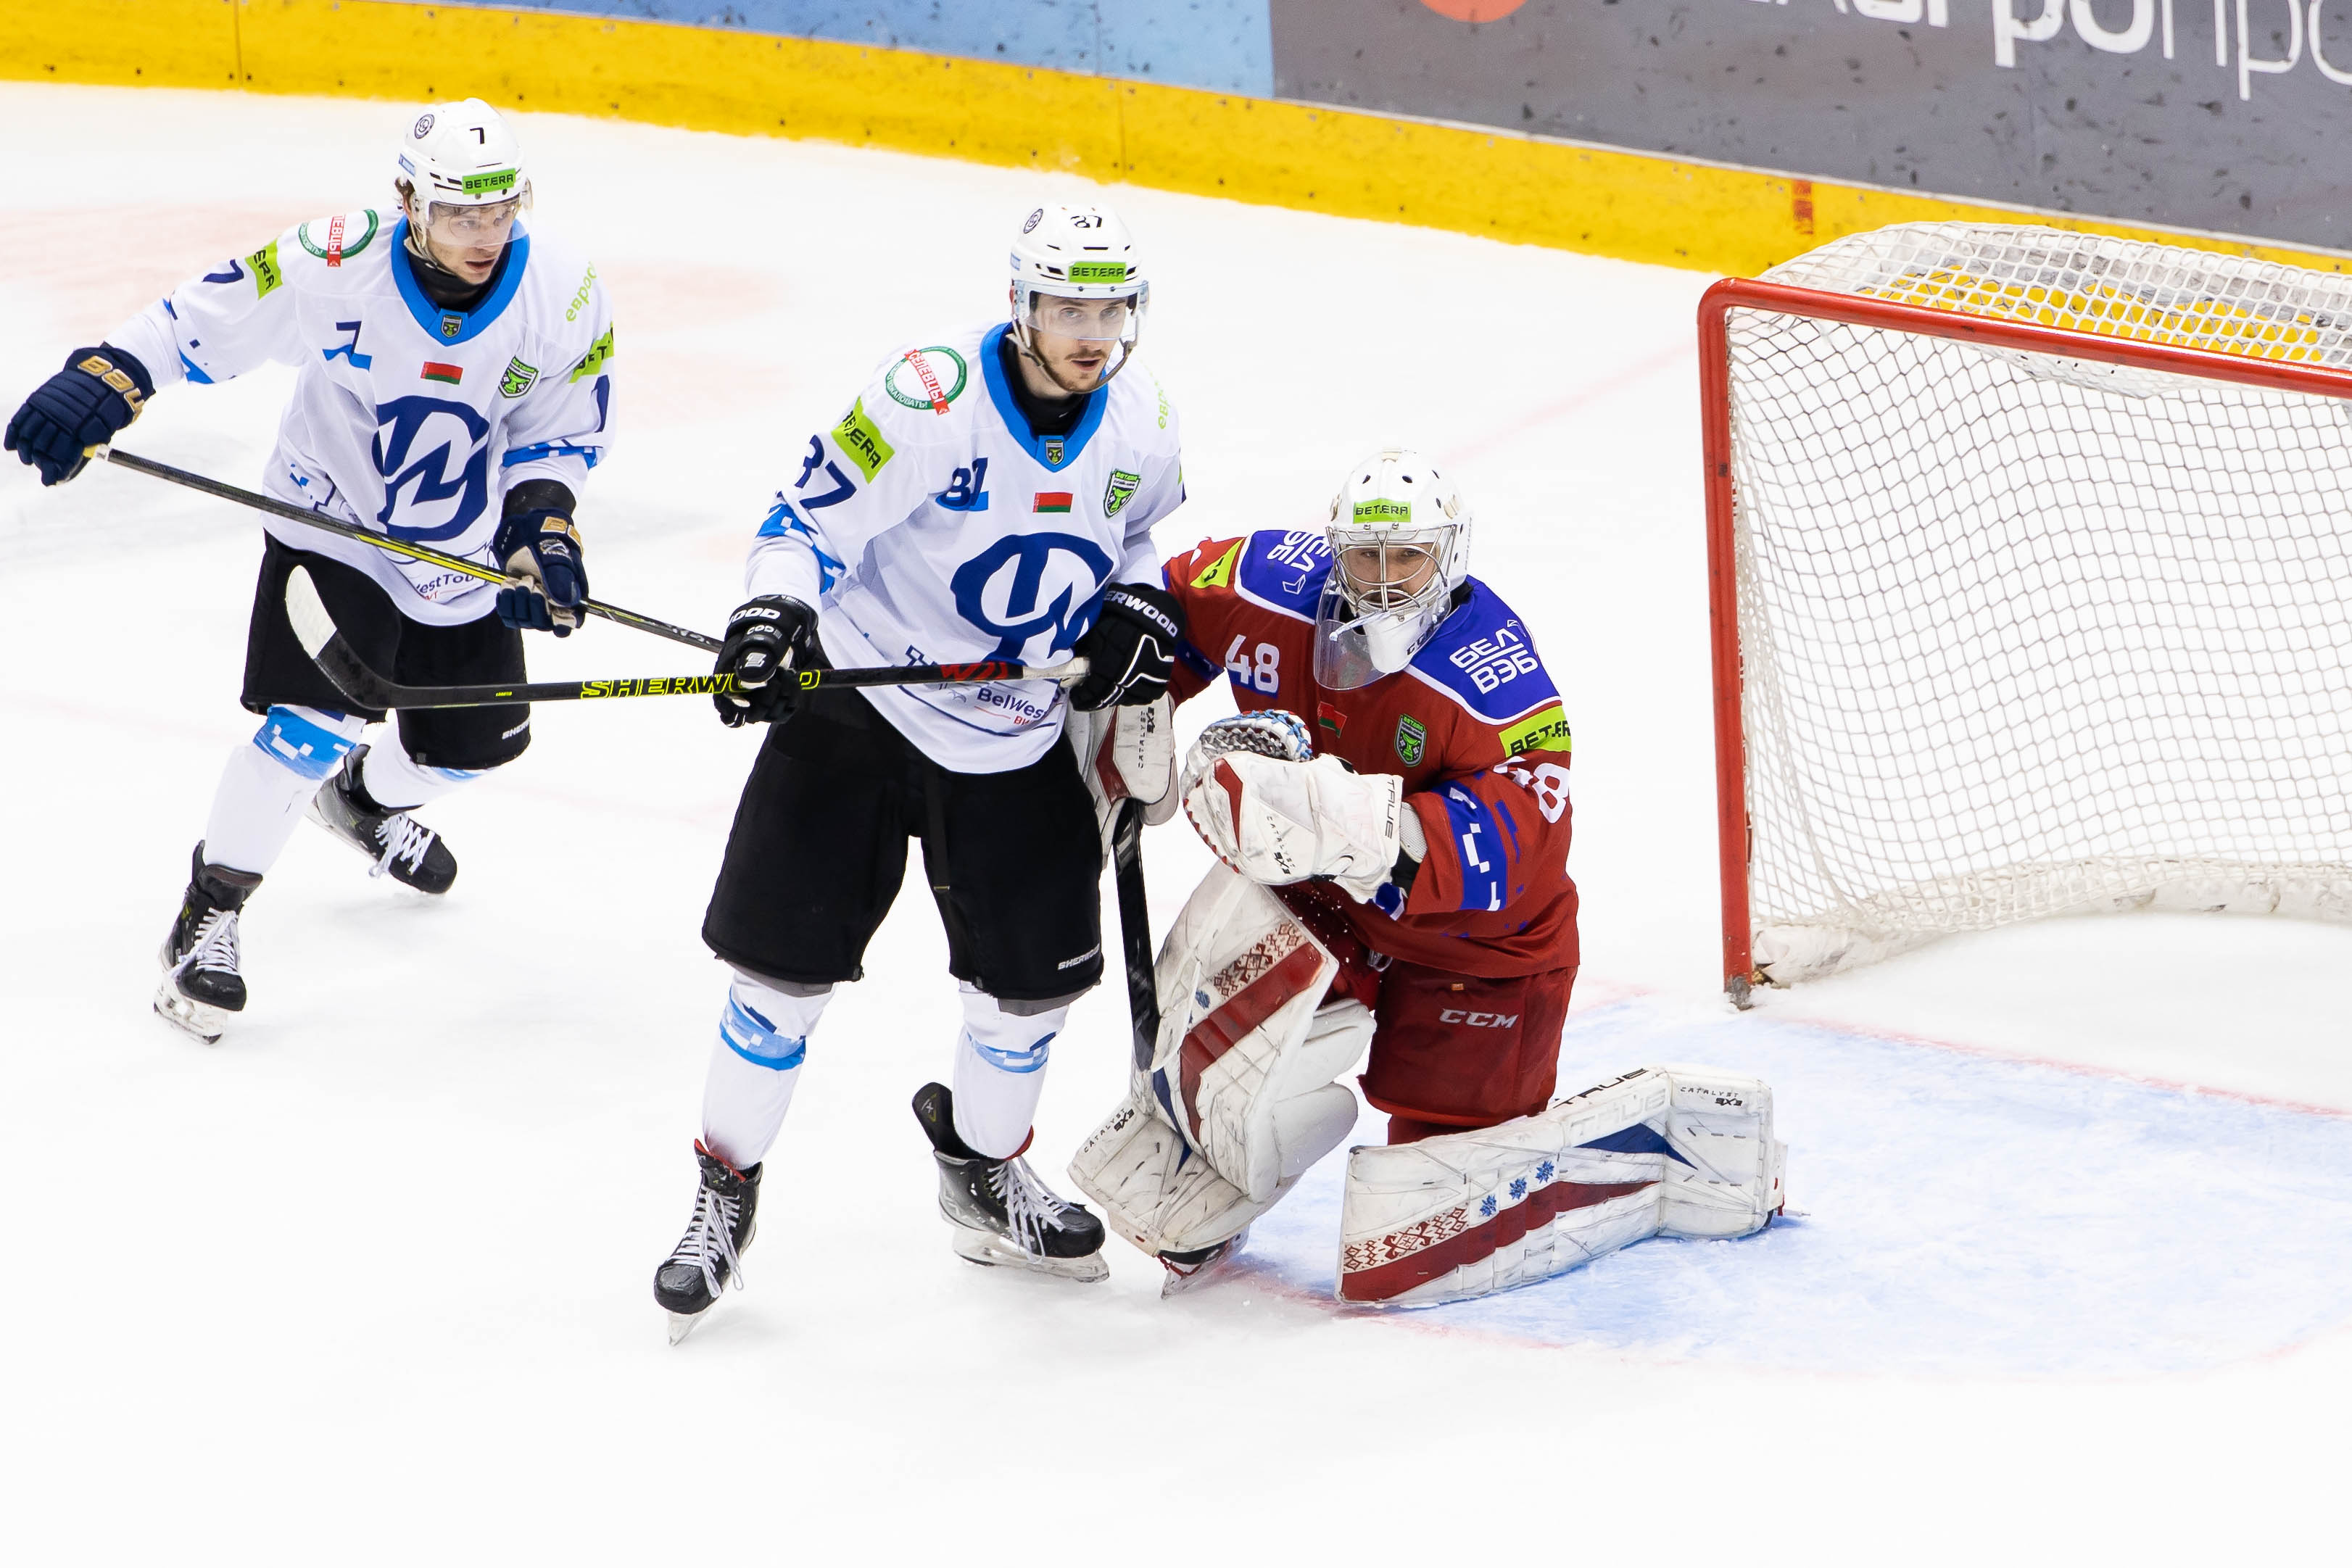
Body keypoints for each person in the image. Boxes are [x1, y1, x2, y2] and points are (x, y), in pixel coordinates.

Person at [651, 204, 1188, 1337]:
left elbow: (1138, 540)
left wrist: (1139, 605)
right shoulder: (928, 398)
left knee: (1031, 989)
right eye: (1069, 307)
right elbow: (803, 524)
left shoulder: (1141, 417)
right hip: (862, 699)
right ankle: (724, 1190)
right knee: (778, 979)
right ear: (1021, 304)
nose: (1093, 333)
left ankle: (983, 1170)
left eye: (1111, 309)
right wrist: (770, 615)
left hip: (1013, 727)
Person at [4, 99, 614, 1045]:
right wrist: (109, 377)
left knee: (471, 750)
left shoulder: (564, 293)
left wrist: (542, 526)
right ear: (409, 201)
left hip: (460, 551)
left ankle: (362, 801)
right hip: (332, 523)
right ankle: (208, 914)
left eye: (501, 210)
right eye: (460, 213)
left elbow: (559, 433)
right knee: (309, 728)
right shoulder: (335, 262)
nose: (485, 234)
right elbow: (195, 321)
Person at [1067, 447, 1578, 1286]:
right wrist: (1139, 696)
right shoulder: (1275, 582)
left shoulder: (1493, 674)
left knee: (1427, 1215)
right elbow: (1166, 601)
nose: (1383, 579)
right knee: (1212, 1069)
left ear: (1449, 555)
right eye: (1365, 556)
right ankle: (1214, 1175)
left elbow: (1529, 838)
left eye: (1407, 556)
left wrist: (1346, 822)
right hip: (1325, 905)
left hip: (1475, 945)